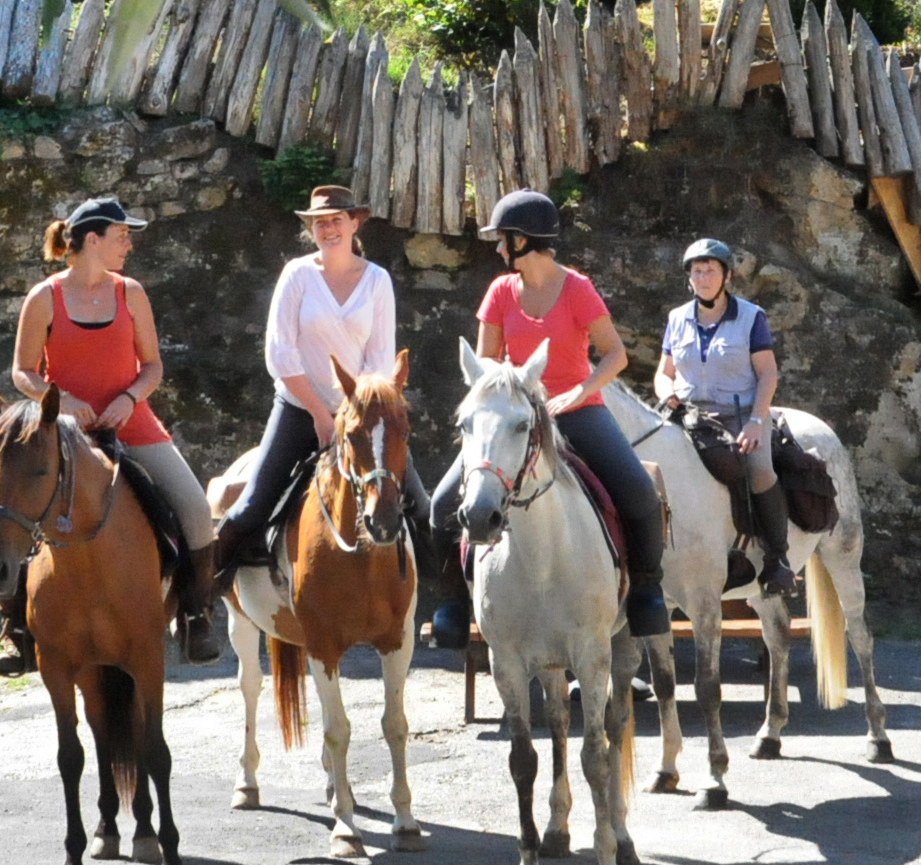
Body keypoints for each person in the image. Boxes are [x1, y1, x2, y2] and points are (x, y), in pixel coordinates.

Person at [430, 190, 672, 646]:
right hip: (515, 416)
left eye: (503, 239)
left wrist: (579, 392)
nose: (499, 248)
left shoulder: (577, 289)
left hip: (577, 412)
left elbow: (615, 355)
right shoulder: (500, 292)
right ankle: (452, 602)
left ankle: (645, 590)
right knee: (441, 503)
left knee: (640, 491)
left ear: (523, 240)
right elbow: (484, 365)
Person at [0, 197, 220, 673]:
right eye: (122, 235)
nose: (128, 244)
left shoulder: (130, 292)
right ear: (92, 240)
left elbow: (153, 366)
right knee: (12, 506)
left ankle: (196, 614)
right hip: (66, 433)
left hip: (131, 423)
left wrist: (130, 397)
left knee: (196, 510)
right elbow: (22, 372)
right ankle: (15, 631)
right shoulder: (44, 298)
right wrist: (61, 399)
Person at [206, 183, 439, 598]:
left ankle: (448, 603)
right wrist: (318, 413)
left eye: (337, 220)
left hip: (364, 414)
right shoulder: (297, 275)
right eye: (319, 223)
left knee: (419, 505)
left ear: (354, 223)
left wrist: (352, 414)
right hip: (300, 408)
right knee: (251, 505)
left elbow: (381, 359)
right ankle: (200, 601)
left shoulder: (377, 281)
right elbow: (280, 353)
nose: (328, 229)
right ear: (311, 229)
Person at [653, 237, 799, 598]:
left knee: (760, 468)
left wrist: (755, 422)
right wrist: (664, 392)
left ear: (727, 276)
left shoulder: (751, 317)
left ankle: (777, 560)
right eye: (696, 272)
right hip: (687, 414)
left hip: (739, 416)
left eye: (710, 271)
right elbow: (663, 372)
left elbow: (768, 374)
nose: (702, 278)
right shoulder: (677, 318)